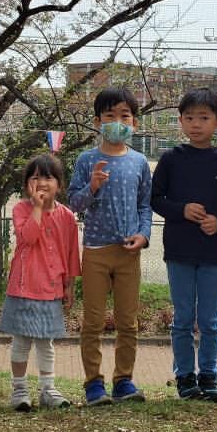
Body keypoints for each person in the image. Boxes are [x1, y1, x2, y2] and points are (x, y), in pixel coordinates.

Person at [151, 88, 217, 403]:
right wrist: (181, 210)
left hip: (215, 252)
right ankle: (184, 376)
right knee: (182, 318)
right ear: (180, 121)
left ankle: (209, 374)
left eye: (203, 118)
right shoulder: (170, 159)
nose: (196, 124)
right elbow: (155, 199)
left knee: (210, 319)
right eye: (189, 117)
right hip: (178, 251)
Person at [68, 87, 153, 406]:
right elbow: (74, 203)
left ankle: (124, 381)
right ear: (97, 121)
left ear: (134, 123)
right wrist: (92, 186)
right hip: (95, 251)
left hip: (129, 252)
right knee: (92, 322)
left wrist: (144, 235)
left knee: (128, 322)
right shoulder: (86, 160)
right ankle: (93, 384)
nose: (117, 121)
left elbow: (145, 205)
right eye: (109, 115)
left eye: (124, 116)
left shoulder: (140, 161)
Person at [0, 153, 81, 411]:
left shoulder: (67, 216)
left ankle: (48, 389)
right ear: (27, 185)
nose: (42, 183)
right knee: (21, 342)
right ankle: (19, 390)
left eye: (48, 177)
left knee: (46, 342)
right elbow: (27, 238)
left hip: (52, 289)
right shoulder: (21, 209)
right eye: (35, 178)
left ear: (60, 184)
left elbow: (71, 253)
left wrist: (70, 285)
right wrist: (36, 207)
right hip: (23, 287)